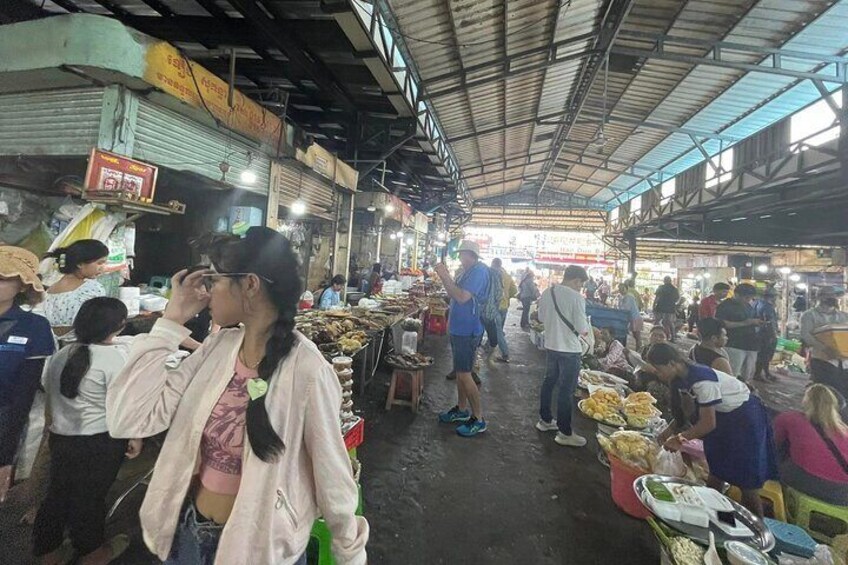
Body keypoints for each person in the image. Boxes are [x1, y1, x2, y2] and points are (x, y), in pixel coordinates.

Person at [106, 228, 367, 563]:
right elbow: (129, 417)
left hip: (259, 550)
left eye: (213, 280)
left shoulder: (308, 370)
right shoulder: (216, 349)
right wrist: (171, 320)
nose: (206, 291)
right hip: (186, 536)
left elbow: (333, 475)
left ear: (249, 284)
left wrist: (350, 553)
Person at [33, 297, 141, 565]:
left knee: (57, 493)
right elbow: (123, 405)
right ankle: (93, 553)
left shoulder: (60, 354)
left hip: (61, 439)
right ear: (120, 326)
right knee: (90, 498)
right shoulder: (115, 358)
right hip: (99, 443)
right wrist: (135, 436)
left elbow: (48, 389)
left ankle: (48, 552)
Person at [646, 343, 778, 516]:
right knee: (717, 466)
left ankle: (756, 524)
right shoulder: (680, 378)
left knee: (746, 478)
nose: (657, 373)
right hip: (723, 416)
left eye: (658, 369)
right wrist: (665, 434)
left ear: (672, 363)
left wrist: (679, 440)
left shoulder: (701, 380)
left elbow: (708, 424)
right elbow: (682, 417)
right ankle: (708, 512)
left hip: (745, 418)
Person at [0, 247, 55, 504]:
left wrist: (5, 458)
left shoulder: (34, 327)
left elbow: (23, 397)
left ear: (23, 286)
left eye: (2, 278)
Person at [434, 241, 489, 437]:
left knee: (465, 374)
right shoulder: (467, 271)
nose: (459, 257)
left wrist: (444, 275)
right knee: (460, 372)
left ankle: (478, 418)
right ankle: (461, 409)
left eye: (462, 254)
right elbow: (453, 294)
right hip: (459, 329)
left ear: (470, 255)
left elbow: (462, 297)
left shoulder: (478, 272)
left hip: (468, 330)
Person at [536, 265, 595, 447]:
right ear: (576, 280)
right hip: (569, 350)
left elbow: (541, 318)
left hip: (552, 346)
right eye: (580, 284)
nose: (580, 287)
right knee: (566, 390)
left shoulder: (548, 292)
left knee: (549, 382)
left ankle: (545, 421)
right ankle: (564, 432)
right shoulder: (576, 297)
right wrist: (588, 329)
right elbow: (582, 328)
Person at [773, 384, 848, 506]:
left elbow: (772, 444)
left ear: (806, 401)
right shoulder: (844, 430)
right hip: (843, 494)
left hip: (805, 481)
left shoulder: (789, 418)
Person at [40, 240, 109, 332]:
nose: (103, 267)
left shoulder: (49, 291)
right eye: (100, 263)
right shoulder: (91, 288)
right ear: (79, 264)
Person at [800, 286, 848, 402]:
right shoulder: (809, 315)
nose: (832, 298)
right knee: (826, 394)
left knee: (844, 393)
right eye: (827, 295)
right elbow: (806, 336)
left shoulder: (843, 315)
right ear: (819, 297)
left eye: (833, 295)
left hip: (844, 362)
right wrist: (825, 349)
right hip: (822, 361)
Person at [716, 283, 763, 384]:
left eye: (750, 298)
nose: (748, 300)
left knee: (747, 375)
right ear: (736, 294)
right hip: (734, 344)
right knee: (732, 374)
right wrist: (745, 323)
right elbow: (721, 324)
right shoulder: (725, 306)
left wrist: (757, 323)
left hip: (750, 345)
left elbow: (751, 320)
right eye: (746, 297)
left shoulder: (748, 306)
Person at [485, 258, 517, 363]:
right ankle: (489, 345)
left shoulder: (490, 274)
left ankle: (505, 353)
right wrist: (507, 298)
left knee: (498, 331)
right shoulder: (507, 276)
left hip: (496, 307)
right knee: (497, 328)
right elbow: (514, 290)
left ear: (492, 264)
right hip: (505, 307)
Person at [754, 290, 779, 382]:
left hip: (758, 333)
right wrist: (773, 335)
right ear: (772, 297)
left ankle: (764, 373)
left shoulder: (756, 303)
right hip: (766, 334)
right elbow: (769, 322)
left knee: (761, 354)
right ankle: (759, 374)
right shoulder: (767, 306)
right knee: (765, 354)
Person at [653, 276, 680, 342]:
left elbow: (657, 298)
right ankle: (672, 337)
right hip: (670, 308)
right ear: (670, 281)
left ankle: (654, 334)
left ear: (664, 281)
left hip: (660, 307)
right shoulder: (674, 289)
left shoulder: (661, 288)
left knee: (657, 321)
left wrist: (653, 305)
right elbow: (677, 299)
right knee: (670, 323)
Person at [616, 282, 642, 350]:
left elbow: (625, 308)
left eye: (622, 289)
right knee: (635, 336)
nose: (621, 290)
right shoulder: (624, 297)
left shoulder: (629, 296)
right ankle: (638, 349)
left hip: (635, 318)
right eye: (619, 289)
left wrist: (620, 300)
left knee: (637, 336)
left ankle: (639, 350)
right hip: (631, 318)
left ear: (626, 288)